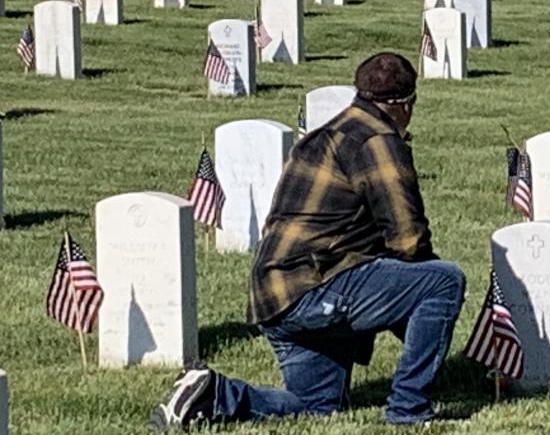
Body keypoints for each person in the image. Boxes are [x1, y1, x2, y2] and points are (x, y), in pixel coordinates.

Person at [149, 52, 466, 429]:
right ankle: (408, 409)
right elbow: (408, 240)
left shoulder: (324, 134)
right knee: (444, 281)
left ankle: (213, 393)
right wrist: (421, 309)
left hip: (273, 295)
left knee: (314, 407)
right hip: (317, 286)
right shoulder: (378, 141)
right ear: (405, 104)